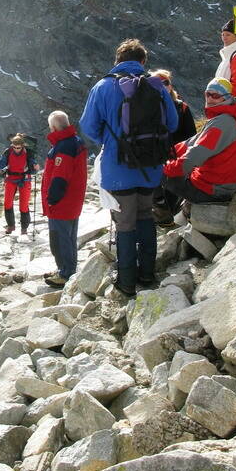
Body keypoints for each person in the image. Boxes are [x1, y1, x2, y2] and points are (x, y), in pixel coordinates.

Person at [79, 38, 178, 297]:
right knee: (145, 215)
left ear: (117, 61)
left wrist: (111, 141)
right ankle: (147, 275)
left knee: (124, 221)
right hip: (150, 167)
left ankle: (126, 281)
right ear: (143, 61)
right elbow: (172, 123)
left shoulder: (103, 87)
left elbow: (88, 126)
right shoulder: (156, 86)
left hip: (117, 166)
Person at [162, 78, 236, 208]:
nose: (210, 98)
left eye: (215, 95)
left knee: (159, 173)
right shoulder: (224, 119)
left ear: (226, 98)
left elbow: (194, 156)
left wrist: (164, 168)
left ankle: (162, 213)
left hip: (214, 189)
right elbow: (191, 142)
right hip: (221, 183)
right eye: (208, 94)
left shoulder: (222, 123)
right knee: (172, 169)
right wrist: (168, 152)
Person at [41, 110, 88, 287]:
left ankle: (65, 273)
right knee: (69, 238)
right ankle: (67, 269)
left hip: (62, 203)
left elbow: (60, 177)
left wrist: (52, 199)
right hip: (73, 200)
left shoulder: (64, 147)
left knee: (59, 239)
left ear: (53, 127)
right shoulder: (76, 141)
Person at [149, 70, 196, 225]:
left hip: (175, 156)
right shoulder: (146, 108)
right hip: (155, 157)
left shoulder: (182, 107)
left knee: (172, 191)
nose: (163, 85)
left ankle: (169, 218)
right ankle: (163, 218)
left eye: (166, 82)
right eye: (158, 82)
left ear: (170, 86)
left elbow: (191, 135)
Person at [0, 134, 38, 235]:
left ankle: (24, 228)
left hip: (24, 179)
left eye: (18, 148)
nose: (16, 149)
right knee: (7, 203)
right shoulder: (8, 151)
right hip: (11, 178)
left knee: (24, 205)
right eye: (14, 147)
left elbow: (33, 165)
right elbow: (2, 163)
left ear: (22, 146)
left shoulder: (28, 153)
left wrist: (35, 167)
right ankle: (11, 226)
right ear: (12, 145)